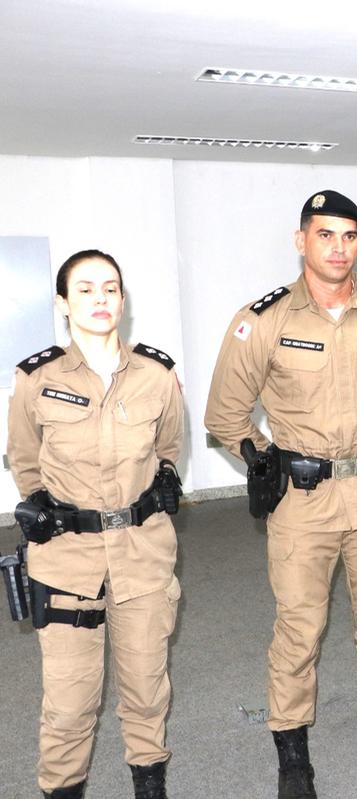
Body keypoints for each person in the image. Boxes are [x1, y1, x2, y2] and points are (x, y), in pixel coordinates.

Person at [205, 190, 357, 799]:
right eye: (325, 234)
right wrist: (264, 460)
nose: (339, 248)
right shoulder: (263, 320)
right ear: (301, 240)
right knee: (299, 630)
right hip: (303, 502)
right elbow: (225, 413)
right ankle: (293, 756)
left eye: (349, 236)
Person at [7, 250, 184, 799]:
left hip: (143, 557)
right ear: (63, 304)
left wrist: (166, 480)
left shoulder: (158, 375)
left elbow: (170, 449)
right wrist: (41, 503)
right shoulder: (35, 379)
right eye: (85, 289)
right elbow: (24, 460)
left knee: (146, 690)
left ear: (123, 301)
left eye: (110, 288)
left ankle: (148, 786)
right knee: (69, 702)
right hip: (67, 563)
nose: (100, 298)